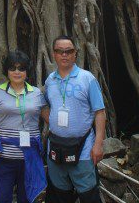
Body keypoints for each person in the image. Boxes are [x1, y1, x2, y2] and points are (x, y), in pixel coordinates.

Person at [0, 50, 49, 203]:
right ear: (7, 71)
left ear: (27, 71)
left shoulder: (37, 93)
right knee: (3, 198)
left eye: (21, 68)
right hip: (4, 159)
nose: (17, 72)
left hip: (29, 158)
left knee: (26, 198)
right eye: (13, 68)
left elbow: (49, 119)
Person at [44, 35, 106, 203]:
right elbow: (45, 106)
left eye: (69, 51)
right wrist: (56, 124)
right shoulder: (50, 80)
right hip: (56, 146)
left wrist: (98, 144)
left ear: (75, 54)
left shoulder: (87, 79)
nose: (64, 55)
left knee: (88, 193)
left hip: (83, 147)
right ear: (54, 54)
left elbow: (99, 112)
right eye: (60, 51)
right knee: (58, 193)